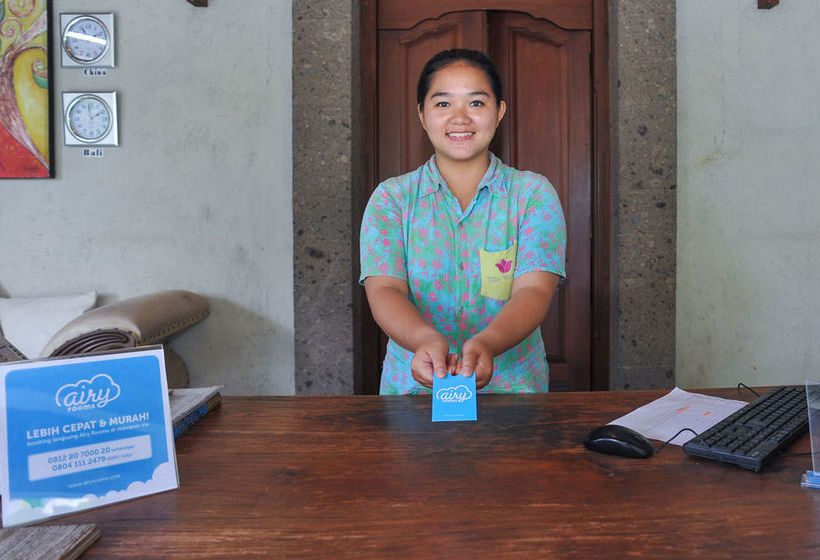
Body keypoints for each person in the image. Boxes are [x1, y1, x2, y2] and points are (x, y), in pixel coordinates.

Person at [359, 49, 566, 395]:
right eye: (442, 104)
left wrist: (488, 342)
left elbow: (534, 290)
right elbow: (384, 289)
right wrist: (423, 338)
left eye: (476, 103)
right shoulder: (391, 198)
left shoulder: (531, 194)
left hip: (512, 388)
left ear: (499, 111)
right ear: (422, 115)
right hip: (414, 390)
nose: (459, 118)